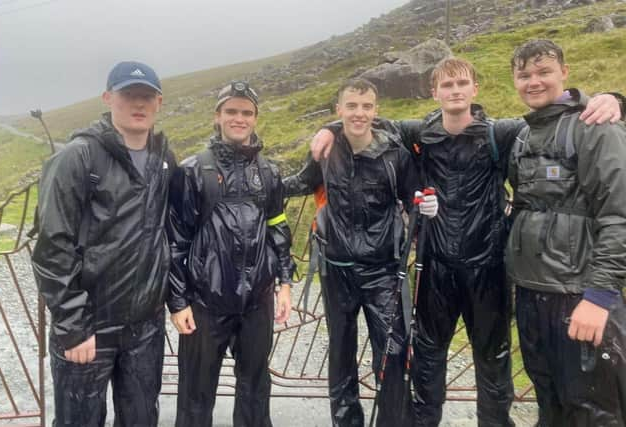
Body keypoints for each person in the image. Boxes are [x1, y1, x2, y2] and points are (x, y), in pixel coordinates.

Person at [310, 60, 623, 427]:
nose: (455, 90)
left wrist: (613, 100)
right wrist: (330, 128)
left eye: (462, 83)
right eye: (447, 85)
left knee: (492, 359)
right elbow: (366, 121)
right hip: (436, 264)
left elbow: (550, 120)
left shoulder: (501, 132)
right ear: (434, 92)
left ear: (475, 88)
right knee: (427, 357)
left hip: (487, 264)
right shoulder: (419, 132)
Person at [283, 78, 438, 427]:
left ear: (376, 110)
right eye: (351, 106)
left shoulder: (394, 154)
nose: (359, 113)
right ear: (339, 110)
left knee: (394, 351)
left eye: (366, 106)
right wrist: (257, 187)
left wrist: (427, 208)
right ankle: (346, 421)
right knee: (340, 352)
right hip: (335, 268)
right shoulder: (325, 152)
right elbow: (299, 183)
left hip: (384, 270)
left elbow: (416, 199)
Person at [31, 61, 175, 427]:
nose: (138, 104)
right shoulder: (76, 158)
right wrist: (73, 326)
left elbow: (171, 231)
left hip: (145, 326)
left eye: (146, 96)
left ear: (159, 102)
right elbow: (52, 248)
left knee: (142, 419)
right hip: (89, 326)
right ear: (109, 97)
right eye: (129, 95)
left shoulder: (163, 160)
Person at [506, 39, 626, 427]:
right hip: (530, 294)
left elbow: (619, 213)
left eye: (544, 72)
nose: (534, 82)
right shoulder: (522, 136)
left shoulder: (595, 127)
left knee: (593, 411)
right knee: (550, 402)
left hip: (579, 297)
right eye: (524, 75)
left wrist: (600, 295)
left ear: (564, 73)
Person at [167, 81, 293, 427]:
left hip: (257, 302)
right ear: (218, 116)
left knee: (255, 388)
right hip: (206, 303)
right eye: (232, 111)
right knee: (196, 393)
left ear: (255, 118)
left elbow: (278, 228)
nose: (239, 118)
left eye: (246, 112)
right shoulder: (193, 170)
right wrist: (178, 302)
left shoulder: (269, 172)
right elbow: (176, 240)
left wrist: (284, 282)